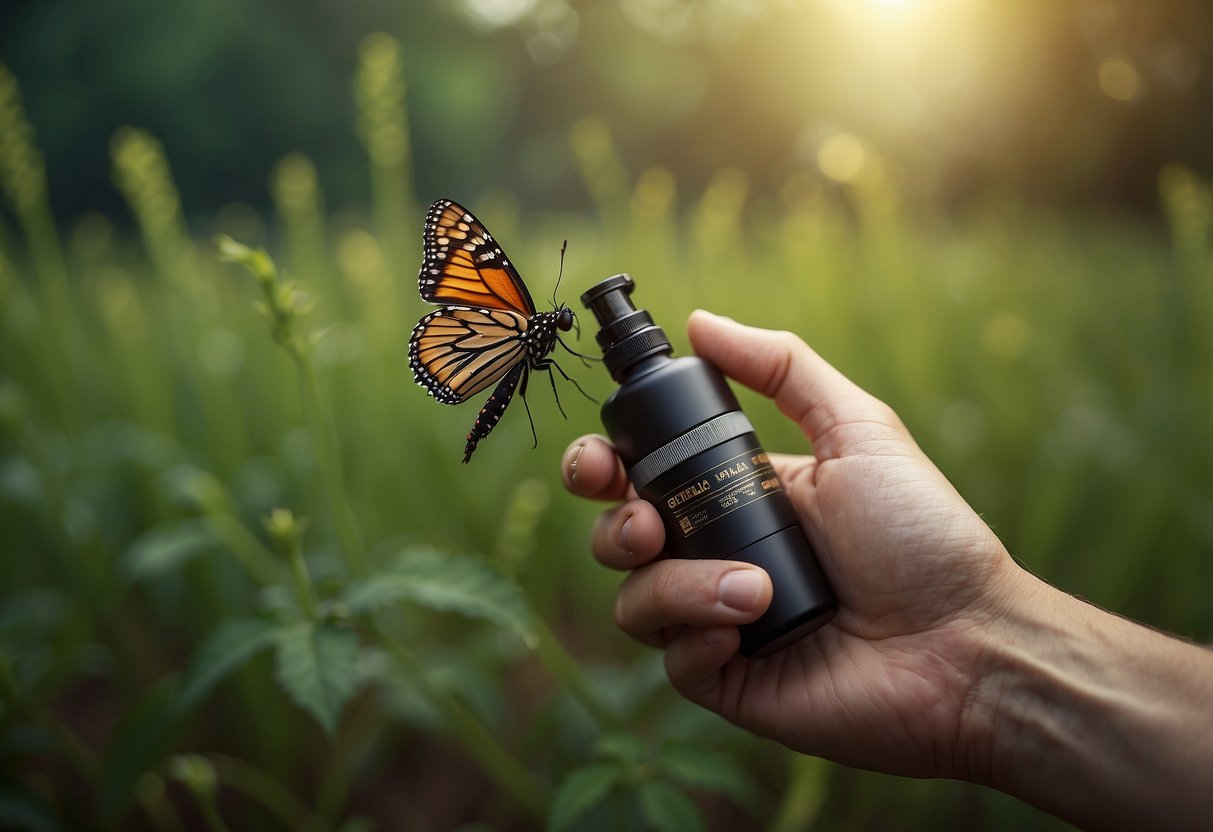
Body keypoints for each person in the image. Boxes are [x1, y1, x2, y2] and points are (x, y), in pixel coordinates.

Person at [560, 310, 1213, 831]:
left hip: (796, 594)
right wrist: (987, 665)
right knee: (643, 530)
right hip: (765, 599)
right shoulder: (650, 402)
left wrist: (981, 643)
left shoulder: (680, 380)